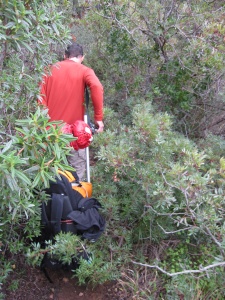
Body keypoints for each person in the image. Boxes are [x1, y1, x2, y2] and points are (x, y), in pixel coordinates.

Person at [38, 42, 104, 180]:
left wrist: (43, 127)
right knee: (76, 181)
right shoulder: (85, 70)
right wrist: (98, 117)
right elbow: (97, 86)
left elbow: (40, 101)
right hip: (75, 135)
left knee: (50, 180)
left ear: (64, 56)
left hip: (50, 135)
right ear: (82, 57)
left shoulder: (47, 70)